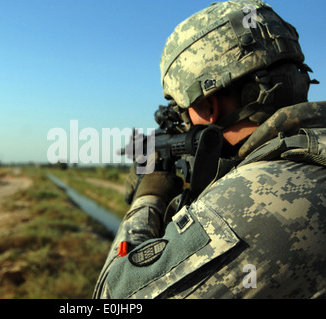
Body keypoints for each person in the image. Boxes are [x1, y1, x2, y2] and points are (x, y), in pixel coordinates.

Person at [93, 0, 326, 299]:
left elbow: (113, 298)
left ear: (207, 105)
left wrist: (148, 197)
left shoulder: (249, 202)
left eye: (182, 111)